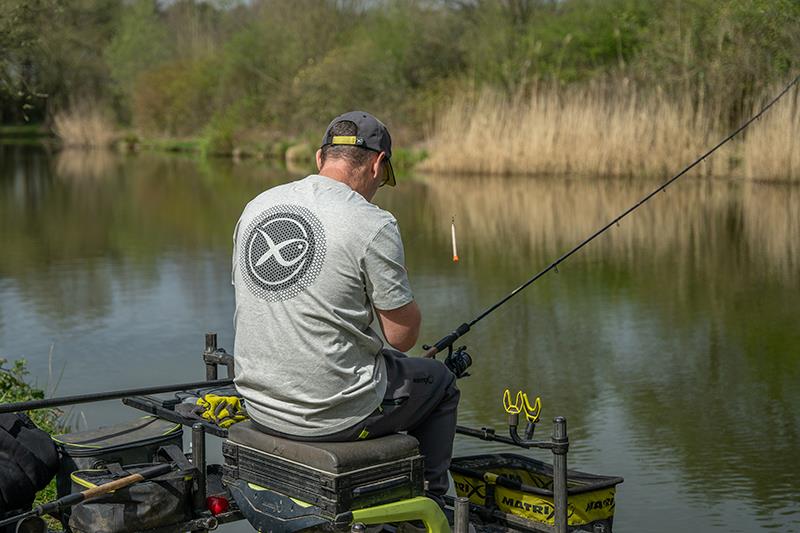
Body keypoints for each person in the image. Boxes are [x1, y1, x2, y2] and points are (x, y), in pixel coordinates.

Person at [231, 111, 460, 504]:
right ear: (378, 164)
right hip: (332, 416)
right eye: (384, 179)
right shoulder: (371, 223)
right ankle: (432, 503)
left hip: (259, 405)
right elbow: (402, 339)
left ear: (321, 159)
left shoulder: (257, 206)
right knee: (439, 381)